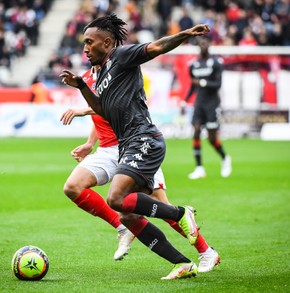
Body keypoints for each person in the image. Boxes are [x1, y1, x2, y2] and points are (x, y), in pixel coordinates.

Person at [60, 14, 212, 280]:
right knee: (127, 214)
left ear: (107, 43)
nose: (84, 48)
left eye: (89, 42)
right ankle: (182, 263)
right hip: (128, 144)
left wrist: (185, 34)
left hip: (144, 139)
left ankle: (183, 216)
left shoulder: (121, 56)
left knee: (117, 199)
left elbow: (155, 47)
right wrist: (83, 85)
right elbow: (102, 110)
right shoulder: (103, 74)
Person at [183, 37, 232, 180]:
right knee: (196, 131)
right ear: (199, 46)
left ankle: (225, 157)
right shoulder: (194, 64)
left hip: (212, 104)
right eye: (201, 43)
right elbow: (193, 85)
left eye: (205, 43)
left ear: (209, 45)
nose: (203, 45)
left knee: (211, 138)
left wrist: (203, 82)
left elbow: (218, 84)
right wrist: (185, 101)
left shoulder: (216, 63)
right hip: (199, 104)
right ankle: (199, 168)